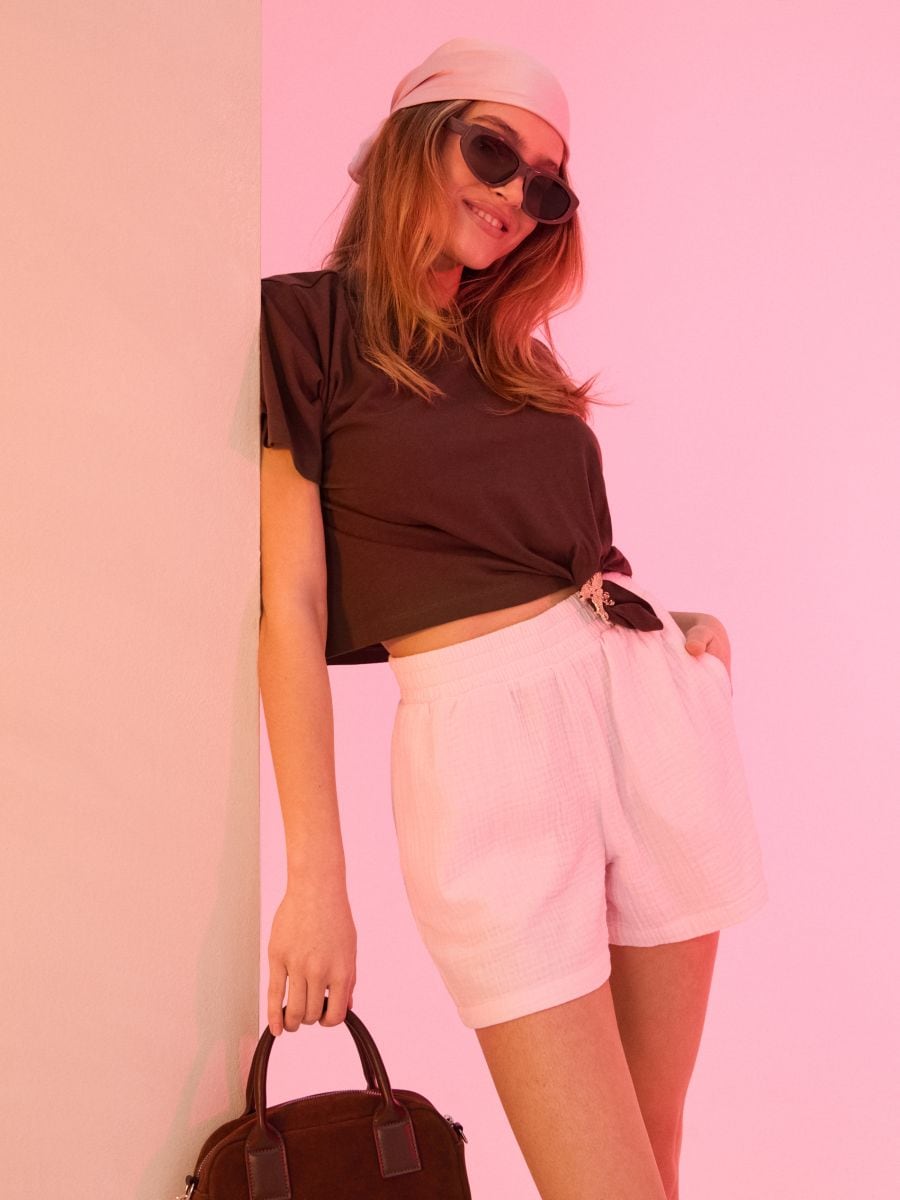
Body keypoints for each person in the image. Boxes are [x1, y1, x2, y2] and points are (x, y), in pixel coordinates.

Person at [258, 36, 768, 1200]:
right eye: (493, 152)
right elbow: (289, 603)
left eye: (546, 187)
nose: (515, 197)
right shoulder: (305, 328)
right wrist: (317, 877)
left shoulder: (512, 355)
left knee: (654, 1163)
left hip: (649, 722)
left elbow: (555, 565)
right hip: (485, 752)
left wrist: (682, 631)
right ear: (412, 140)